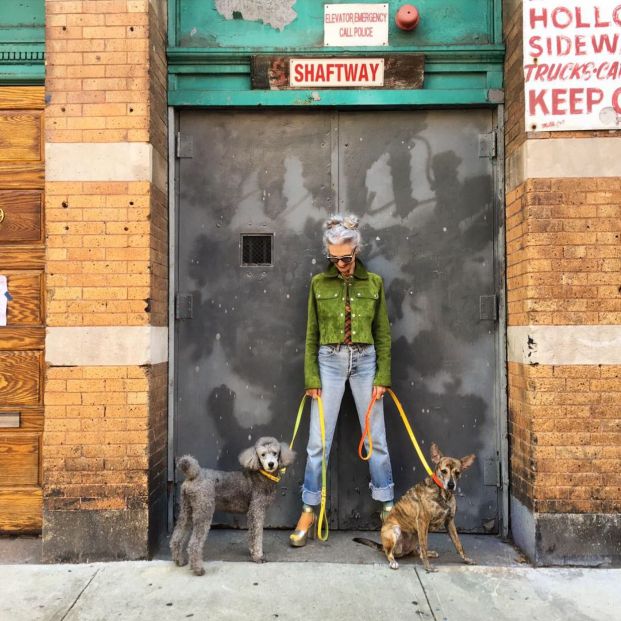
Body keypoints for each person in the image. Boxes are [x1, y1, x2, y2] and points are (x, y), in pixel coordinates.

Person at [290, 214, 394, 547]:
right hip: (328, 363)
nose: (340, 265)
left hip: (366, 363)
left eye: (345, 259)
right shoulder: (319, 284)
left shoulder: (374, 283)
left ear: (356, 250)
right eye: (334, 259)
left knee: (375, 438)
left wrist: (383, 376)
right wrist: (311, 376)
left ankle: (387, 508)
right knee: (318, 442)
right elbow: (311, 333)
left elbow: (383, 333)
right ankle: (309, 507)